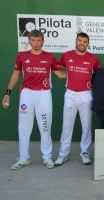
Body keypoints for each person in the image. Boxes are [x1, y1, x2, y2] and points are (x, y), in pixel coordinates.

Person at [1, 30, 66, 170]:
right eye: (33, 40)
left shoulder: (49, 57)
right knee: (24, 127)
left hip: (44, 94)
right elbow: (15, 75)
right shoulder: (22, 56)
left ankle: (47, 157)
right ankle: (24, 157)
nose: (36, 43)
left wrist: (77, 72)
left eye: (38, 40)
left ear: (43, 41)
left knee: (44, 126)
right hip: (27, 94)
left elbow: (60, 75)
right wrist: (7, 93)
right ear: (29, 41)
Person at [54, 32, 100, 166]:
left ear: (88, 43)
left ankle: (85, 152)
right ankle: (63, 154)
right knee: (66, 126)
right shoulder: (67, 55)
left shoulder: (93, 58)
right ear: (76, 41)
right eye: (80, 41)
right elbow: (55, 67)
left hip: (86, 95)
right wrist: (63, 75)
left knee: (86, 126)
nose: (82, 43)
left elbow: (98, 74)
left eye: (85, 41)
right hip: (70, 95)